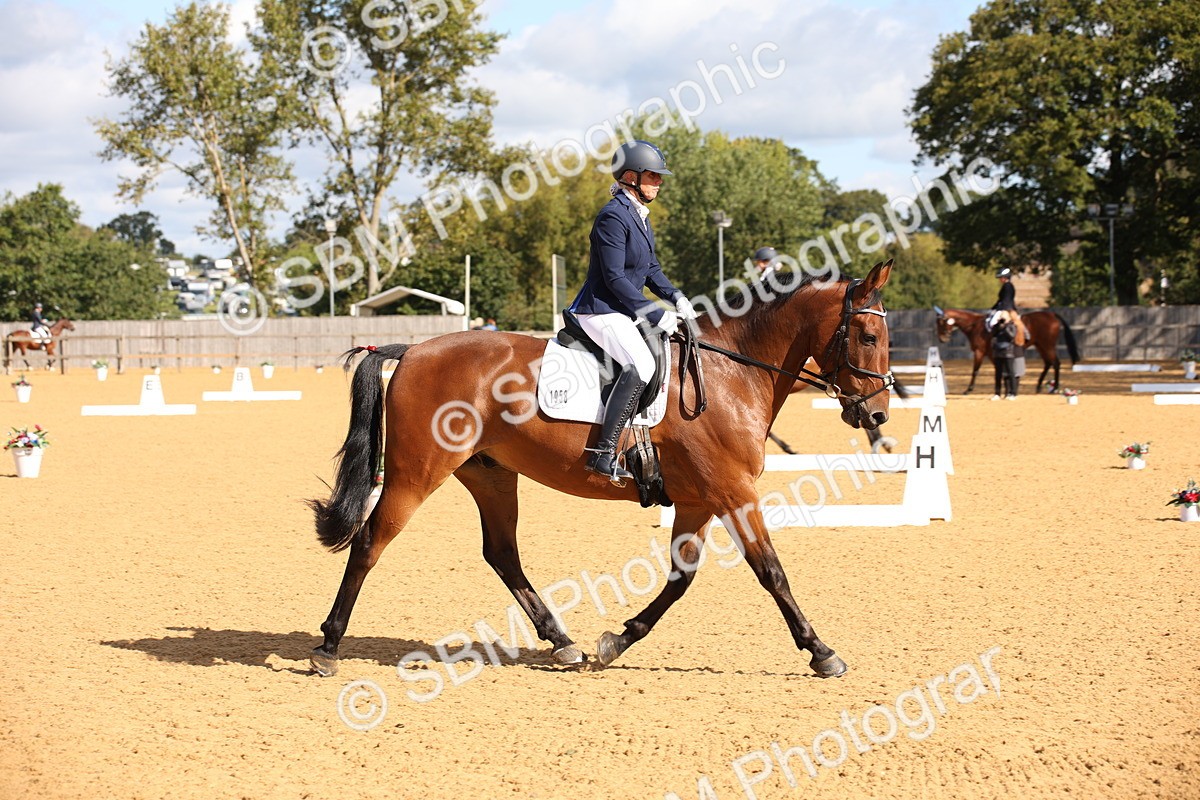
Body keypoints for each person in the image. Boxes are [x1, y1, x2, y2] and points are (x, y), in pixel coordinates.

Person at [568, 140, 696, 483]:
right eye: (653, 176)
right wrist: (654, 313)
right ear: (630, 177)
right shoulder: (613, 216)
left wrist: (676, 297)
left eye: (659, 176)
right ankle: (603, 452)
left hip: (621, 310)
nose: (659, 182)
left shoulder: (639, 216)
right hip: (598, 309)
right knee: (641, 364)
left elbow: (650, 269)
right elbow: (614, 278)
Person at [990, 310, 1018, 400]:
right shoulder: (997, 326)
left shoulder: (1012, 326)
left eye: (1004, 317)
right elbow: (992, 334)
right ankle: (997, 393)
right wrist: (998, 325)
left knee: (1010, 373)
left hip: (1008, 352)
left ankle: (1013, 392)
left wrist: (1005, 327)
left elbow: (1012, 336)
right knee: (998, 373)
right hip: (998, 352)